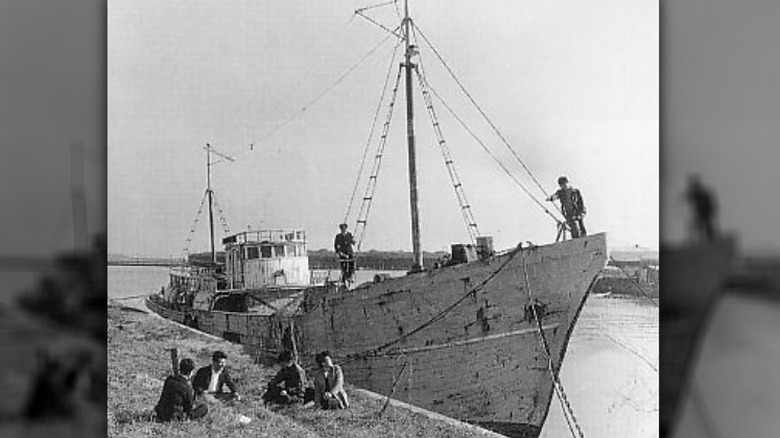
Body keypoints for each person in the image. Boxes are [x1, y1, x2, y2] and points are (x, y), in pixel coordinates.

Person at [685, 174, 718, 241]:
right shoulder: (696, 194)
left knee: (706, 226)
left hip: (706, 212)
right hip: (702, 213)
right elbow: (689, 197)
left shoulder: (703, 194)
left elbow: (708, 204)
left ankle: (710, 239)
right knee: (699, 227)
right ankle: (702, 239)